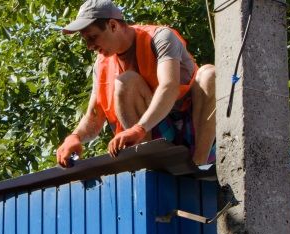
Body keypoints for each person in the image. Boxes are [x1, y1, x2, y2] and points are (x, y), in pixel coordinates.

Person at [55, 0, 217, 167]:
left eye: (93, 37)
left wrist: (139, 128)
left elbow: (169, 87)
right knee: (125, 83)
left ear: (112, 25)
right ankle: (151, 168)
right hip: (160, 137)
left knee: (209, 74)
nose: (89, 46)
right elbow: (94, 115)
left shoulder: (160, 37)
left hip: (195, 131)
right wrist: (75, 137)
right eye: (85, 40)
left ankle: (199, 168)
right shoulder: (101, 64)